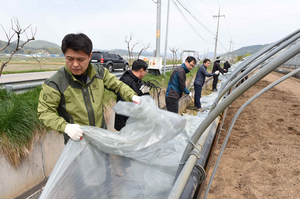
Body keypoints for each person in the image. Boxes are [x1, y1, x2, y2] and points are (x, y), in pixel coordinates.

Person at [37, 33, 140, 144]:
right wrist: (66, 127)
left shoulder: (99, 72)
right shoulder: (56, 83)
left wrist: (133, 96)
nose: (75, 64)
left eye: (81, 59)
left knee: (104, 161)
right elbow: (45, 112)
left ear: (90, 56)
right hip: (77, 143)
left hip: (101, 138)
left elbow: (118, 85)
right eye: (69, 59)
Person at [114, 59, 150, 131]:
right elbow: (125, 104)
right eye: (145, 71)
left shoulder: (136, 80)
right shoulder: (126, 81)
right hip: (124, 123)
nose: (145, 73)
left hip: (132, 121)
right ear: (141, 71)